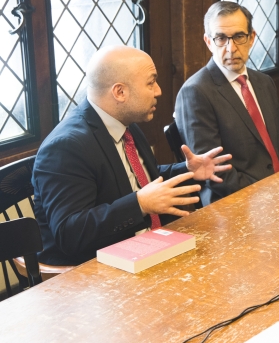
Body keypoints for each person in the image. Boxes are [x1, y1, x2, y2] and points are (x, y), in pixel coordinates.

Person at [33, 46, 232, 266]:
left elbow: (144, 180)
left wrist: (187, 171)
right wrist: (140, 204)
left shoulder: (125, 124)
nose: (158, 91)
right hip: (93, 271)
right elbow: (70, 234)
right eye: (151, 82)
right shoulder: (66, 147)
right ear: (120, 92)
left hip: (146, 248)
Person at [175, 2, 279, 206]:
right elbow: (216, 173)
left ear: (251, 38)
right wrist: (268, 194)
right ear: (208, 42)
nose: (231, 48)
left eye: (239, 37)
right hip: (236, 202)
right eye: (221, 38)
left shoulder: (264, 82)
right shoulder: (196, 92)